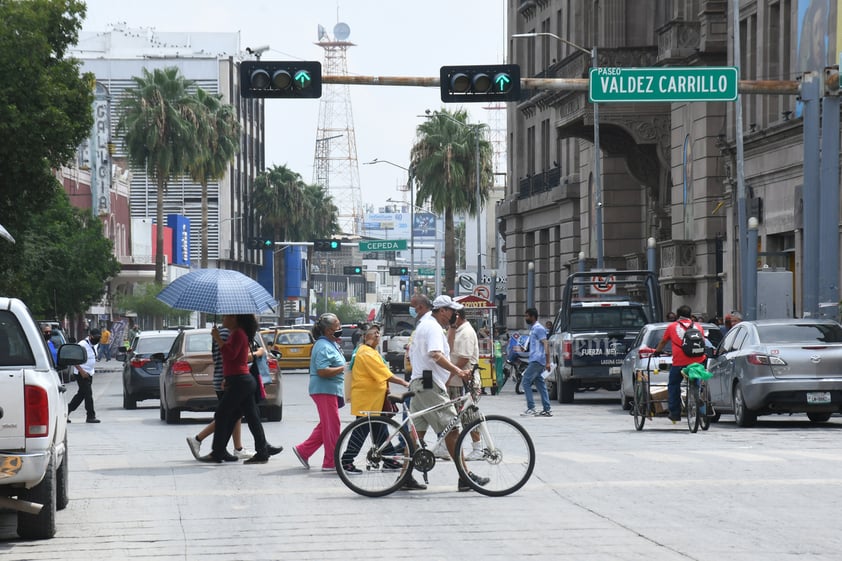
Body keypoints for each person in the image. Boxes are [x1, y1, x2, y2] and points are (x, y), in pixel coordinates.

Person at [408, 294, 489, 492]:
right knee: (453, 430)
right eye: (452, 311)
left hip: (421, 383)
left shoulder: (427, 324)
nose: (455, 314)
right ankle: (465, 476)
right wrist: (459, 371)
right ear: (442, 311)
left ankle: (405, 476)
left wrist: (452, 327)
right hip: (429, 385)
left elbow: (444, 346)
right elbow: (436, 354)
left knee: (416, 434)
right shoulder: (433, 327)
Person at [339, 326, 418, 484]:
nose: (377, 336)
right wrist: (404, 382)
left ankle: (388, 459)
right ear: (365, 336)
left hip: (374, 398)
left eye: (378, 333)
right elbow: (384, 373)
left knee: (379, 429)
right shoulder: (365, 352)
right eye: (374, 333)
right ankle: (347, 460)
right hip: (368, 398)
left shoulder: (370, 351)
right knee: (361, 430)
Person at [199, 314, 282, 464]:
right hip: (239, 380)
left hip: (240, 381)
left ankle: (217, 452)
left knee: (222, 414)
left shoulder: (238, 334)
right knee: (249, 416)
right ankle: (261, 451)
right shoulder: (237, 334)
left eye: (226, 317)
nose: (223, 319)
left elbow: (231, 355)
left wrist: (218, 338)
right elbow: (235, 359)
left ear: (234, 319)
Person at [186, 324, 256, 460]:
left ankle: (237, 448)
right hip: (227, 379)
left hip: (226, 378)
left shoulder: (223, 332)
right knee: (226, 415)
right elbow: (229, 357)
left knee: (234, 415)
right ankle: (198, 439)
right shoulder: (226, 333)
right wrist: (257, 353)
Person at [292, 313, 346, 471]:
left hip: (330, 390)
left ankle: (304, 450)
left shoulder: (330, 343)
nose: (340, 329)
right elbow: (322, 371)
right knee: (332, 426)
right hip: (324, 390)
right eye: (338, 327)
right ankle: (331, 462)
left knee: (327, 425)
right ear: (329, 330)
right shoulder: (322, 346)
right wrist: (344, 368)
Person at [652, 304, 706, 423]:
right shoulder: (698, 326)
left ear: (677, 315)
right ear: (691, 315)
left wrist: (657, 352)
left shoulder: (672, 327)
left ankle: (675, 413)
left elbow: (663, 341)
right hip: (698, 360)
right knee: (698, 384)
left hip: (680, 362)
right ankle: (701, 405)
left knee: (674, 385)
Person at [447, 307, 484, 461]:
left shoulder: (466, 332)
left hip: (465, 382)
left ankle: (478, 448)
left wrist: (449, 376)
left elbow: (464, 358)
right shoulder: (457, 330)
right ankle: (445, 446)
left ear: (457, 316)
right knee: (451, 417)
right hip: (457, 380)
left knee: (469, 416)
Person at [519, 308, 553, 417]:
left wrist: (548, 362)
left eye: (527, 316)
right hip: (536, 359)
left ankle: (531, 408)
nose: (526, 318)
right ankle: (547, 409)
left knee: (525, 381)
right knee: (540, 384)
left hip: (537, 360)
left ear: (533, 316)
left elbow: (546, 344)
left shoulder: (538, 328)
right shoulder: (534, 329)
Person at [67, 328, 101, 423]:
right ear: (90, 336)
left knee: (81, 395)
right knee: (88, 394)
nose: (97, 339)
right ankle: (90, 416)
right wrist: (81, 371)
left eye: (99, 337)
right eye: (96, 337)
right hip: (82, 373)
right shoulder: (82, 345)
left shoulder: (95, 344)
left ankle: (66, 411)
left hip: (89, 373)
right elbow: (74, 359)